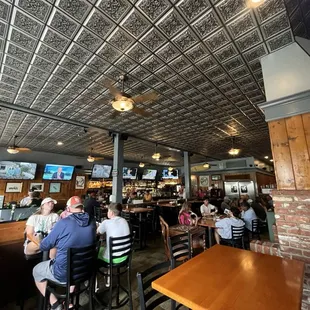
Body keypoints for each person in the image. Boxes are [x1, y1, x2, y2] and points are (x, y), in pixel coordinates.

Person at [32, 196, 96, 310]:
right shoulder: (92, 221)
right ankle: (68, 300)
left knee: (36, 270)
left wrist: (41, 238)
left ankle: (55, 304)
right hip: (85, 270)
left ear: (68, 209)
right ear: (82, 207)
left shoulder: (64, 222)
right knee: (69, 262)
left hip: (64, 273)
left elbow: (44, 245)